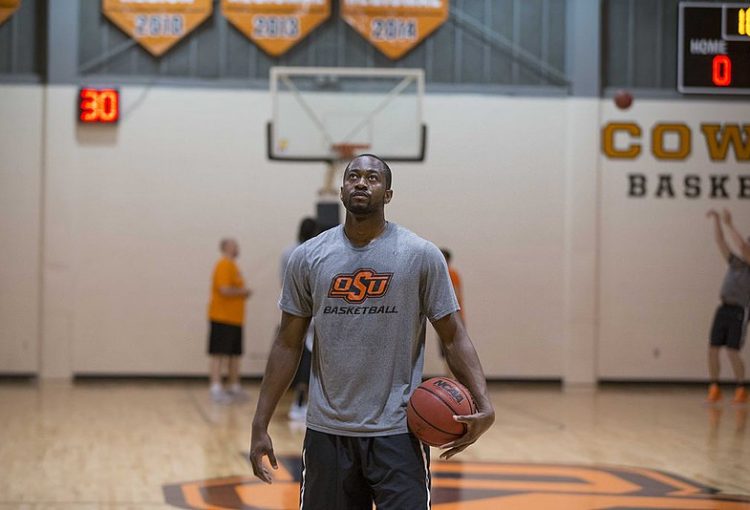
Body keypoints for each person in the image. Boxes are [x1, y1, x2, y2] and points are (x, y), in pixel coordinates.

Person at [249, 154, 495, 509]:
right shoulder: (309, 257)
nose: (361, 182)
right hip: (327, 434)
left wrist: (483, 402)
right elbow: (287, 344)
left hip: (399, 433)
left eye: (372, 177)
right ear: (342, 188)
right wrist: (260, 422)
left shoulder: (419, 255)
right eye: (353, 176)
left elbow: (454, 336)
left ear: (389, 194)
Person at [706, 209, 750, 404]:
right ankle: (714, 387)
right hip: (723, 308)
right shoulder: (735, 263)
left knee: (732, 351)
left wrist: (730, 224)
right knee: (713, 348)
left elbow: (742, 246)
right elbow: (721, 242)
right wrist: (717, 221)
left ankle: (741, 388)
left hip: (739, 311)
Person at [281, 217, 318, 421]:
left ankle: (300, 402)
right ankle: (301, 403)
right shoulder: (313, 252)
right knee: (306, 359)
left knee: (298, 356)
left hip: (293, 309)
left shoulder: (288, 252)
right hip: (310, 312)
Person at [207, 238, 252, 403]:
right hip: (221, 316)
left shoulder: (234, 266)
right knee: (218, 352)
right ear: (226, 247)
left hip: (235, 318)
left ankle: (233, 385)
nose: (237, 248)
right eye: (234, 245)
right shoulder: (223, 264)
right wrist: (243, 292)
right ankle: (216, 385)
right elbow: (224, 289)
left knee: (235, 354)